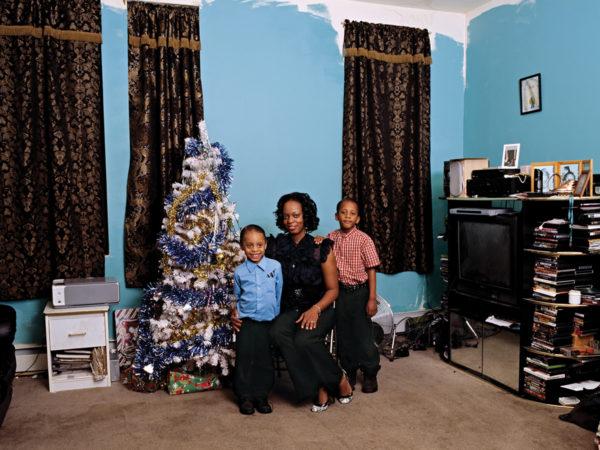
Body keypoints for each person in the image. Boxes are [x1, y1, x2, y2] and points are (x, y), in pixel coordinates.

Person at [267, 192, 353, 412]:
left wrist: (315, 309)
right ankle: (315, 386)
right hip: (291, 308)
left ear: (305, 216)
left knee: (305, 339)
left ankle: (338, 380)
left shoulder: (321, 247)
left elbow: (334, 290)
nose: (291, 221)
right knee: (277, 332)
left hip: (321, 306)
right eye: (286, 216)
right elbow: (252, 251)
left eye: (296, 215)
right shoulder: (277, 246)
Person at [326, 198, 381, 393]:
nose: (347, 216)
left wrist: (372, 298)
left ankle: (370, 371)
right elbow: (322, 252)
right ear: (336, 216)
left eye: (352, 213)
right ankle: (348, 370)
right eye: (343, 212)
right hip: (341, 293)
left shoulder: (364, 239)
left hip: (360, 293)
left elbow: (372, 269)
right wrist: (318, 241)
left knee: (362, 335)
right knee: (344, 334)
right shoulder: (331, 237)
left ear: (357, 218)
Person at [231, 225, 283, 415]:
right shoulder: (239, 272)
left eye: (259, 244)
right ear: (243, 247)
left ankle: (261, 396)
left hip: (267, 321)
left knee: (264, 359)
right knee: (245, 358)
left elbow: (278, 293)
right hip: (246, 322)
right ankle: (244, 396)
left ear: (266, 245)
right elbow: (236, 296)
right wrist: (235, 313)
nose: (255, 249)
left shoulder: (275, 267)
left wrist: (275, 316)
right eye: (250, 245)